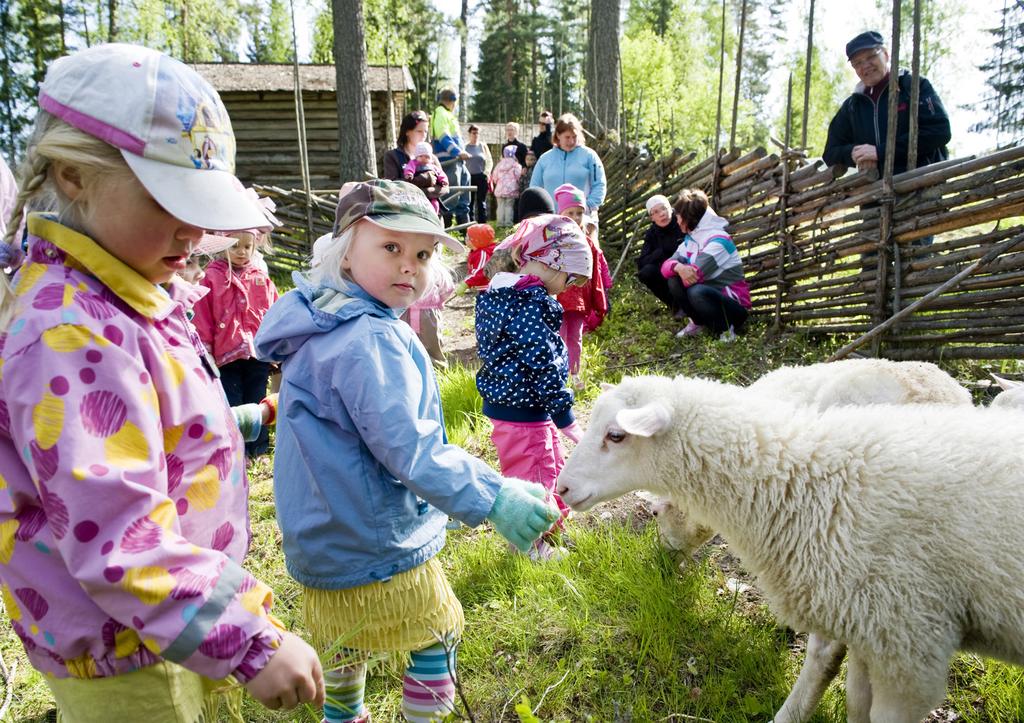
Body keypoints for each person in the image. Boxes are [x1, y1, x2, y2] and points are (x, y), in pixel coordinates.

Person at [0, 43, 323, 721]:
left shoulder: (126, 288)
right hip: (135, 654)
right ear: (73, 174)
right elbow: (115, 533)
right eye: (166, 198)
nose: (195, 227)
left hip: (167, 630)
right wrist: (248, 639)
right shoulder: (68, 330)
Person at [253, 179, 559, 723]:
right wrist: (494, 497)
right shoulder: (371, 338)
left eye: (421, 254)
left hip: (320, 532)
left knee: (344, 642)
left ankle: (344, 718)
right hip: (376, 538)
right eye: (390, 248)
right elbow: (410, 450)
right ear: (345, 253)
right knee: (436, 634)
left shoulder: (318, 320)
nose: (408, 267)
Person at [475, 214, 592, 561]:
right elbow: (543, 360)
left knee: (547, 466)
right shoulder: (529, 303)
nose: (568, 288)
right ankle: (531, 544)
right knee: (537, 476)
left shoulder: (500, 295)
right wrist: (563, 412)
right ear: (549, 263)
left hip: (513, 405)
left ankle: (552, 529)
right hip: (527, 408)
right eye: (570, 279)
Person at [192, 228, 279, 458]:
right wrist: (206, 349)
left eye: (247, 247)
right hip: (225, 354)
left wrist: (275, 344)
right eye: (234, 246)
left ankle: (259, 449)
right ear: (222, 245)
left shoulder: (260, 277)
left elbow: (273, 311)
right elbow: (203, 315)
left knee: (258, 397)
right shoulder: (212, 276)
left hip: (255, 353)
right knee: (233, 401)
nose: (241, 252)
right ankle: (237, 450)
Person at [823, 30, 950, 177]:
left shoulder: (913, 86)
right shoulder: (852, 106)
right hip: (874, 193)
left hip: (921, 186)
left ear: (886, 54)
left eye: (871, 56)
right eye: (857, 63)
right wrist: (855, 153)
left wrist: (881, 152)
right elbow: (830, 153)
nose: (865, 65)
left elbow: (940, 131)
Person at [660, 189, 751, 342]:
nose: (676, 220)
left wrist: (677, 268)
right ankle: (698, 323)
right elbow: (665, 267)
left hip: (735, 309)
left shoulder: (719, 241)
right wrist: (678, 267)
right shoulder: (691, 239)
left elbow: (695, 276)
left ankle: (727, 330)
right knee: (674, 280)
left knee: (696, 291)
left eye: (678, 216)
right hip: (710, 300)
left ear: (688, 217)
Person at [553, 185, 609, 388]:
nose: (575, 217)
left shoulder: (587, 242)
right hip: (557, 296)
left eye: (579, 213)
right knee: (558, 335)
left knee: (575, 336)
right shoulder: (554, 240)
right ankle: (558, 373)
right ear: (561, 213)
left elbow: (596, 270)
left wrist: (598, 295)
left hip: (577, 299)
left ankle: (574, 372)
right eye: (570, 212)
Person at [530, 113, 607, 220]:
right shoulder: (544, 159)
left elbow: (599, 184)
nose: (571, 141)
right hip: (551, 221)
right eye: (567, 137)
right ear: (557, 135)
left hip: (582, 219)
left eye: (574, 137)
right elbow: (534, 188)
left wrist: (588, 206)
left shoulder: (590, 156)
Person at [636, 194, 686, 315]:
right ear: (652, 218)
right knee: (646, 273)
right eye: (656, 212)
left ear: (671, 208)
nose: (662, 214)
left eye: (664, 208)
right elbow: (642, 261)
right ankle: (674, 305)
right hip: (665, 271)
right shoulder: (652, 234)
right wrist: (661, 251)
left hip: (687, 265)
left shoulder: (681, 222)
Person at [430, 88, 471, 225]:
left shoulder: (447, 114)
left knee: (463, 194)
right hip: (449, 160)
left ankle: (464, 231)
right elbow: (443, 136)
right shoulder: (440, 113)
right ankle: (446, 229)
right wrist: (458, 152)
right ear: (452, 101)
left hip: (458, 161)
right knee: (451, 194)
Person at [402, 140, 449, 215]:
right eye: (421, 156)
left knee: (435, 203)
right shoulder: (414, 163)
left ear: (430, 158)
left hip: (432, 190)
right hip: (418, 188)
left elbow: (441, 173)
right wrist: (409, 174)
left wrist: (443, 181)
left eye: (427, 157)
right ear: (416, 156)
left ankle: (434, 215)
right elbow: (409, 168)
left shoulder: (433, 166)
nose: (424, 158)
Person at [382, 109, 431, 181]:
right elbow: (392, 185)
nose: (424, 135)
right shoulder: (392, 156)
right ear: (407, 132)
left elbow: (445, 187)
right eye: (419, 131)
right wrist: (422, 180)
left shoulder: (430, 157)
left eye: (426, 131)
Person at [465, 124, 493, 222]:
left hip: (481, 177)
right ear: (469, 134)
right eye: (473, 133)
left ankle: (482, 223)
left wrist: (486, 173)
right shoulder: (465, 147)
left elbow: (489, 161)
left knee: (481, 202)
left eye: (477, 133)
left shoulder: (483, 146)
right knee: (470, 202)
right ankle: (470, 223)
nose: (475, 135)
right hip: (469, 177)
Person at [490, 146, 523, 226]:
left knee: (500, 206)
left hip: (500, 188)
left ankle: (500, 223)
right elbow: (518, 176)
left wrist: (496, 182)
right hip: (511, 189)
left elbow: (494, 176)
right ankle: (508, 223)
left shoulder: (499, 164)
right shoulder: (515, 165)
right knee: (509, 206)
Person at [464, 223, 497, 289]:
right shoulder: (475, 251)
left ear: (475, 240)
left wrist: (466, 284)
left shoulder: (482, 254)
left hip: (486, 287)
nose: (465, 238)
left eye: (467, 237)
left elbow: (480, 272)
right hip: (480, 286)